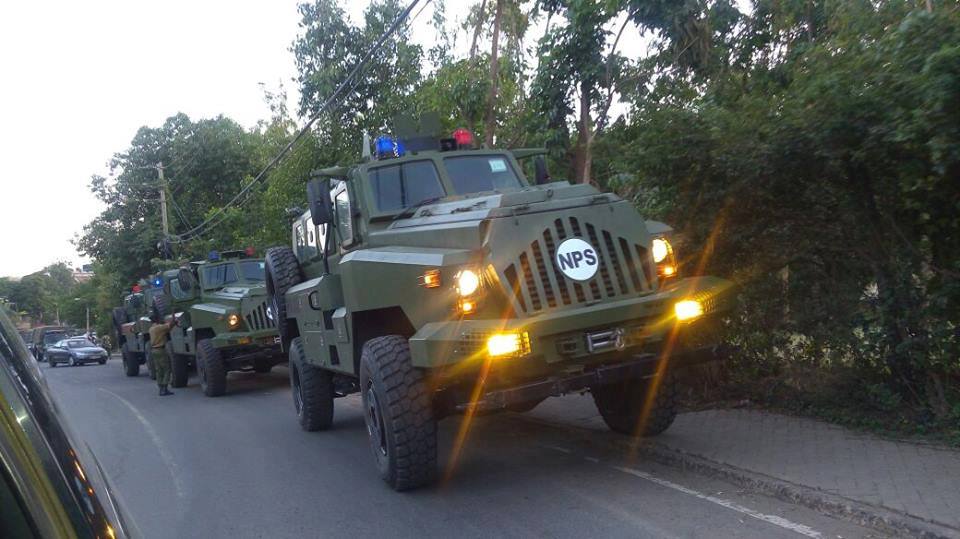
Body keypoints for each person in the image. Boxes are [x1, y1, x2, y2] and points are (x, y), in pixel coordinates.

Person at [148, 313, 176, 396]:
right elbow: (169, 325)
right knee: (166, 369)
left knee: (158, 370)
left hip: (154, 350)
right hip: (160, 350)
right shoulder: (159, 327)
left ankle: (160, 388)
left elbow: (166, 330)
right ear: (157, 320)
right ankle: (164, 388)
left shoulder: (151, 329)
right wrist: (174, 321)